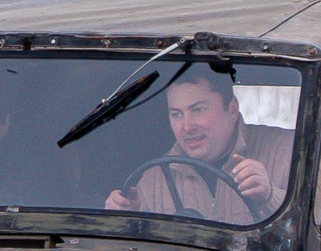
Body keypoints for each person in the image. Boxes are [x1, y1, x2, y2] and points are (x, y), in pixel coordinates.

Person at [104, 76, 292, 223]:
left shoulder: (288, 152)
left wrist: (270, 196)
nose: (187, 127)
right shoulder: (155, 177)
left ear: (233, 109)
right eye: (177, 114)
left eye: (198, 110)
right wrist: (123, 216)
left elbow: (317, 240)